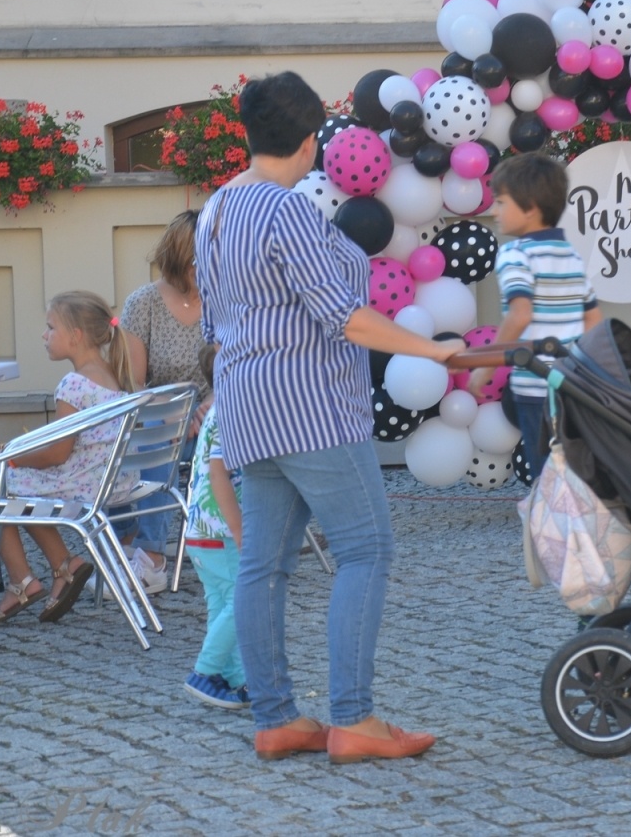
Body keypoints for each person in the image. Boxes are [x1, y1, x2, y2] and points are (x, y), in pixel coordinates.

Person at [195, 71, 463, 765]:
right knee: (365, 550)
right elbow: (346, 320)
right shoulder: (284, 211)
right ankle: (354, 718)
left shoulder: (217, 209)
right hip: (309, 406)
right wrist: (432, 349)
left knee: (263, 564)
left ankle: (278, 717)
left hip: (246, 405)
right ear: (312, 141)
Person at [464, 155, 631, 593]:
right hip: (577, 387)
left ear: (529, 206)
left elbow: (520, 313)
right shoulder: (570, 254)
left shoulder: (515, 254)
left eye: (500, 202)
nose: (493, 211)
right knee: (605, 478)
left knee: (559, 492)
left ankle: (593, 588)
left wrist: (484, 364)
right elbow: (594, 320)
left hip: (539, 392)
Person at [0, 291, 139, 626]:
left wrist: (14, 459)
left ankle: (24, 581)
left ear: (75, 336)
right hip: (114, 481)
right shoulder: (115, 373)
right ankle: (61, 567)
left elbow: (58, 453)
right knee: (12, 482)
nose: (44, 335)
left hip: (87, 484)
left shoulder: (73, 384)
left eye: (50, 327)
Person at [118, 209, 207, 595]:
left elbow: (237, 368)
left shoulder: (230, 302)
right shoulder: (143, 304)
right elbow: (133, 384)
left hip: (215, 416)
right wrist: (172, 415)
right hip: (157, 415)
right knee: (132, 437)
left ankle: (150, 559)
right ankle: (125, 547)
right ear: (180, 260)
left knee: (153, 440)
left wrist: (202, 409)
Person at [181, 343, 248, 710]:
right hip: (222, 530)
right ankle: (204, 672)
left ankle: (236, 679)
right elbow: (222, 473)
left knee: (223, 604)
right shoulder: (234, 411)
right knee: (243, 602)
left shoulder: (216, 409)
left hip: (199, 531)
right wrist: (240, 529)